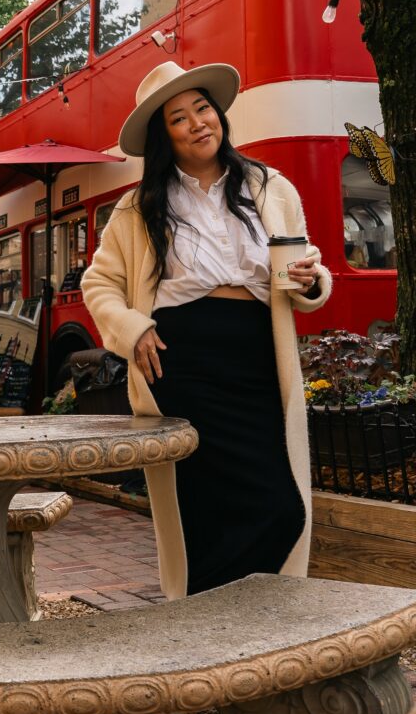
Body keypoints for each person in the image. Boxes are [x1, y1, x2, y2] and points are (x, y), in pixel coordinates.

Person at [81, 61, 331, 599]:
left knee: (281, 505)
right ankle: (211, 621)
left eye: (203, 108)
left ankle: (242, 611)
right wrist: (132, 329)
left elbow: (304, 266)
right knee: (203, 505)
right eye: (179, 118)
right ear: (163, 136)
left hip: (258, 359)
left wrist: (312, 280)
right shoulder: (138, 207)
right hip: (180, 363)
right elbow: (98, 285)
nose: (198, 123)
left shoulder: (271, 187)